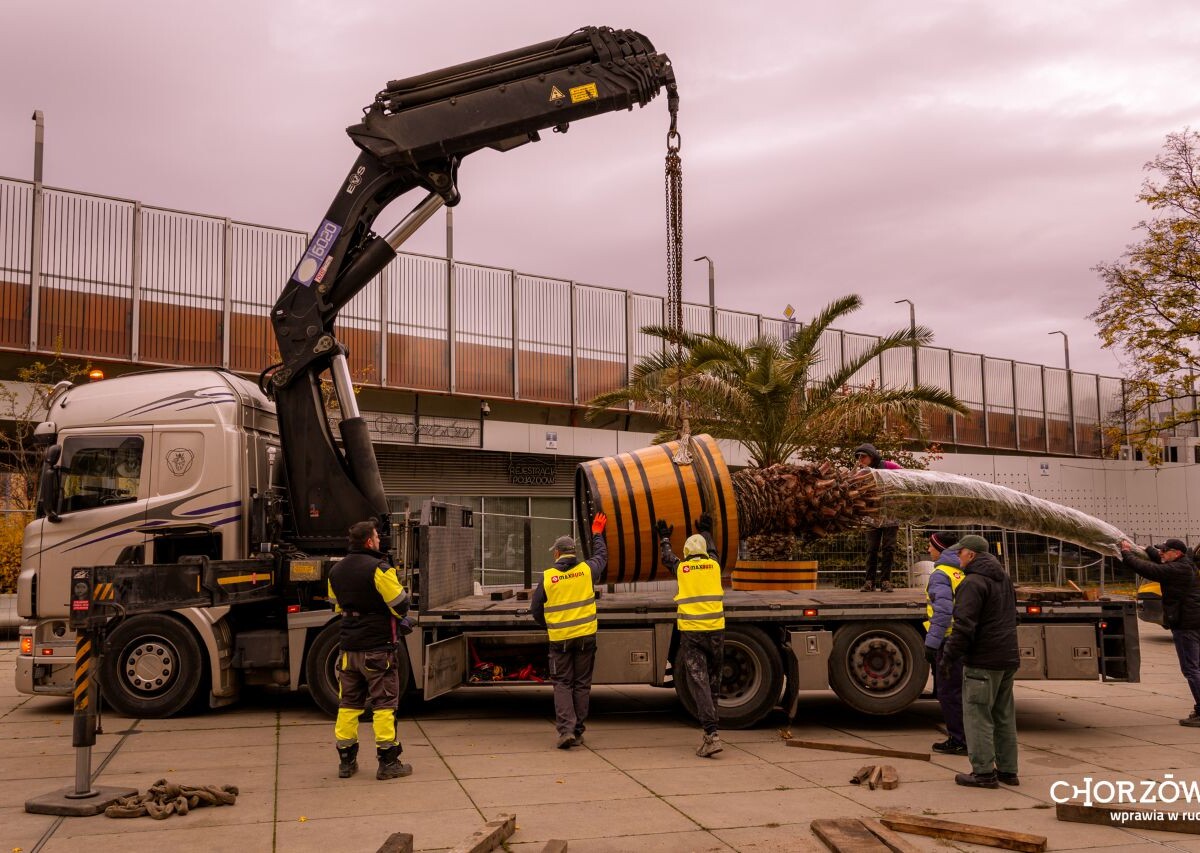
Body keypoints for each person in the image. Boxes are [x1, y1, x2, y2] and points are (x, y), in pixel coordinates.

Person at [327, 520, 414, 781]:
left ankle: (346, 761)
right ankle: (388, 762)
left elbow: (336, 605)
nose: (379, 540)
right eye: (376, 536)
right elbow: (400, 604)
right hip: (377, 648)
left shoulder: (335, 571)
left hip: (348, 649)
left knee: (348, 704)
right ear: (369, 542)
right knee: (384, 704)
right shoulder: (380, 569)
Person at [940, 534, 1019, 789]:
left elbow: (964, 626)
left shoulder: (972, 583)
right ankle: (1008, 770)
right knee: (1003, 715)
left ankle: (983, 773)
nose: (957, 556)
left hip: (983, 660)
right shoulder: (1003, 578)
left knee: (977, 715)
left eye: (960, 552)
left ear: (971, 555)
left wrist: (948, 656)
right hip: (1007, 657)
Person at [531, 512, 608, 749]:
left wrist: (551, 624)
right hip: (586, 638)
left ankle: (566, 731)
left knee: (562, 683)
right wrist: (597, 533)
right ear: (573, 552)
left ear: (557, 553)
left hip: (560, 640)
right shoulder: (587, 570)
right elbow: (601, 556)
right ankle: (578, 730)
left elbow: (535, 610)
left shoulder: (548, 577)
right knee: (582, 684)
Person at [657, 513, 725, 758]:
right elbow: (714, 551)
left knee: (700, 683)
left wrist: (664, 537)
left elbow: (667, 558)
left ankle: (711, 734)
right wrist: (706, 531)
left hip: (693, 636)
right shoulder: (715, 566)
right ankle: (712, 733)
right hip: (716, 634)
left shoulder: (683, 568)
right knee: (714, 683)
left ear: (686, 552)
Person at [1119, 537, 1200, 726]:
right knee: (1196, 667)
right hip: (1192, 622)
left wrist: (1126, 553)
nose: (1161, 553)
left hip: (1186, 625)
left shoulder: (1177, 569)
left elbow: (1148, 569)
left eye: (1165, 550)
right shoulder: (1185, 563)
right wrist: (1146, 548)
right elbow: (1158, 559)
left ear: (1177, 553)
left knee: (1191, 668)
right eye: (1161, 550)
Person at [923, 532, 967, 755]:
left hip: (947, 641)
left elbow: (942, 611)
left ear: (940, 548)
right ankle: (967, 736)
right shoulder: (961, 570)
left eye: (931, 546)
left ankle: (958, 740)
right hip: (963, 638)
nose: (928, 550)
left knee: (948, 693)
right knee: (962, 692)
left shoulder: (940, 574)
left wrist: (932, 643)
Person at [853, 443, 902, 592]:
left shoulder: (888, 465)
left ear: (871, 456)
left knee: (889, 548)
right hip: (872, 515)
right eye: (858, 456)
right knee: (871, 549)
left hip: (890, 514)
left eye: (863, 456)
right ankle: (869, 582)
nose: (860, 459)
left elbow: (907, 477)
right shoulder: (861, 472)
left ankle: (886, 581)